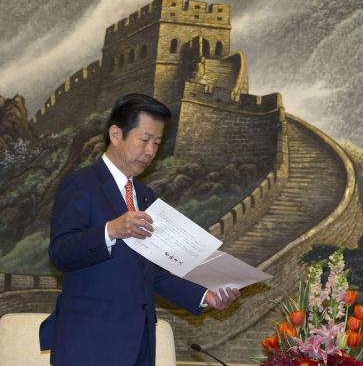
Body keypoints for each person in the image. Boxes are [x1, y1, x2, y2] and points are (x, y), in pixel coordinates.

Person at [39, 93, 240, 366]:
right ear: (116, 134)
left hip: (140, 346)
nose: (150, 152)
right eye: (144, 140)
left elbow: (153, 271)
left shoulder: (146, 196)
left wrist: (206, 296)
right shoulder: (81, 184)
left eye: (157, 143)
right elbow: (61, 253)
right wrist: (111, 230)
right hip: (90, 345)